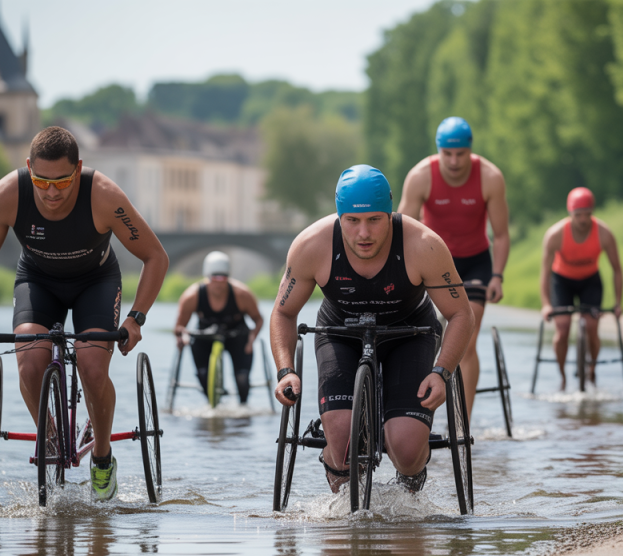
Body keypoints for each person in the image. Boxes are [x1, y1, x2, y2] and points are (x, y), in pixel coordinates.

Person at [0, 126, 169, 501]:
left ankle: (102, 456)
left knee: (93, 367)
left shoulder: (104, 195)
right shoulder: (8, 194)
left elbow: (156, 256)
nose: (51, 192)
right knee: (30, 363)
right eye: (41, 181)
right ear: (29, 168)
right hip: (37, 281)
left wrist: (135, 318)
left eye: (62, 181)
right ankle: (50, 438)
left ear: (78, 169)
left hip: (96, 282)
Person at [270, 165, 474, 493]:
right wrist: (285, 370)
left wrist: (442, 372)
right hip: (340, 331)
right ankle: (340, 475)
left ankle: (410, 476)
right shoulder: (312, 244)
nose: (363, 233)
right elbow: (283, 313)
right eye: (352, 220)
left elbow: (461, 314)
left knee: (406, 449)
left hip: (410, 332)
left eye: (375, 220)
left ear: (390, 213)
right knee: (342, 444)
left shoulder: (424, 244)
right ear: (339, 216)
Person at [397, 116, 510, 418]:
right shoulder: (420, 176)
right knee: (424, 337)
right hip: (432, 262)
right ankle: (415, 414)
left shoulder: (490, 177)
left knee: (466, 342)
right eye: (447, 153)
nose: (454, 161)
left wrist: (497, 276)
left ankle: (463, 425)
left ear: (470, 150)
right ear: (439, 150)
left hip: (474, 263)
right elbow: (401, 231)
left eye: (461, 154)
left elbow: (500, 234)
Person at [540, 187, 623, 390]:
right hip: (562, 281)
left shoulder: (604, 233)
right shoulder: (555, 235)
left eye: (587, 214)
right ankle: (562, 377)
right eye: (578, 215)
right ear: (570, 213)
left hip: (590, 281)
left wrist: (618, 303)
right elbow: (545, 272)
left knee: (592, 326)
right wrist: (546, 304)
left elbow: (617, 270)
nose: (583, 219)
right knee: (562, 329)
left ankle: (592, 369)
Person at [173, 250, 264, 405]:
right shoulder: (192, 296)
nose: (219, 282)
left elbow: (258, 320)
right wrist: (183, 337)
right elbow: (179, 327)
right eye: (214, 277)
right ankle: (214, 405)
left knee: (242, 379)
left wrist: (251, 339)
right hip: (205, 336)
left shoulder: (242, 294)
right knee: (203, 374)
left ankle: (243, 408)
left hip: (236, 336)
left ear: (228, 277)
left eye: (223, 277)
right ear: (206, 277)